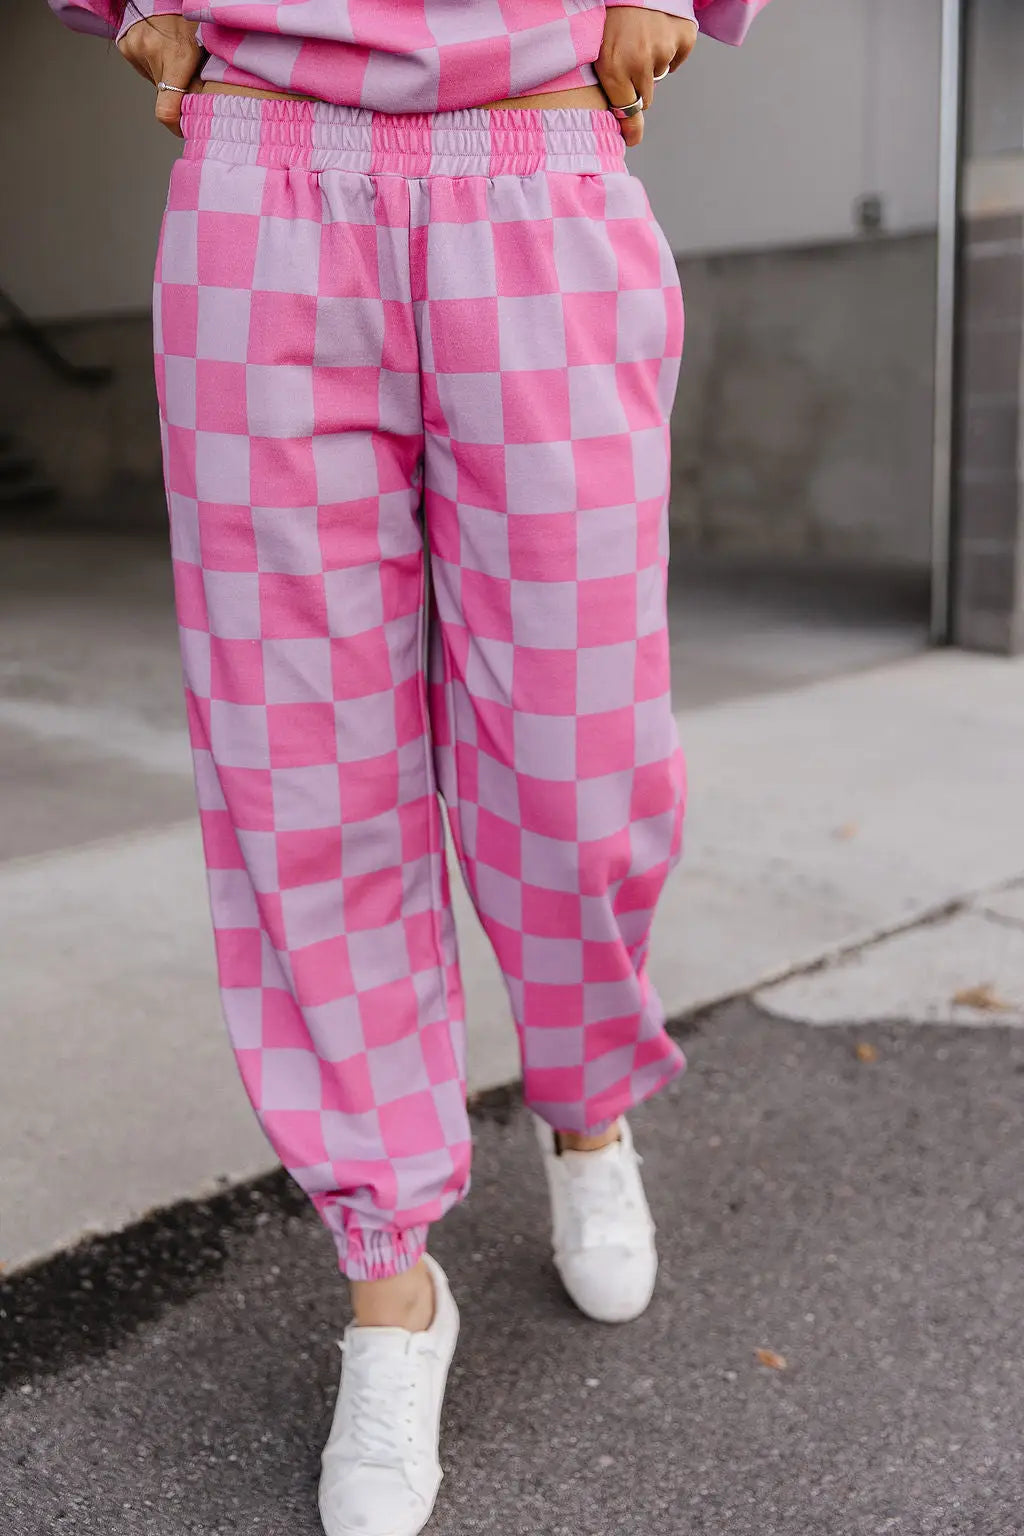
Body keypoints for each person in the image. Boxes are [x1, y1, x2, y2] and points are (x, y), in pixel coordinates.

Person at [45, 2, 770, 1531]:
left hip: (537, 161)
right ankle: (390, 1280)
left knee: (581, 757)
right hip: (263, 167)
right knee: (299, 769)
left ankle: (586, 1096)